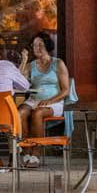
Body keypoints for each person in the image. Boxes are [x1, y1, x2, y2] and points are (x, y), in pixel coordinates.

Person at [17, 32, 71, 162]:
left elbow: (65, 91)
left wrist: (48, 101)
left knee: (37, 113)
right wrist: (24, 60)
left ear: (47, 46)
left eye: (40, 45)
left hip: (54, 101)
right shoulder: (31, 65)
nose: (37, 48)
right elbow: (18, 82)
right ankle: (26, 152)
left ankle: (36, 153)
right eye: (35, 45)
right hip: (34, 100)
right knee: (20, 112)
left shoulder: (58, 63)